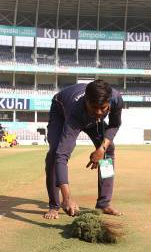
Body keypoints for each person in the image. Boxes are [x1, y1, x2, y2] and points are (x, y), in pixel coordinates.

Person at [43, 80, 124, 219]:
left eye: (103, 108)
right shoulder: (75, 111)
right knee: (55, 152)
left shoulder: (116, 99)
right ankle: (55, 205)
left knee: (108, 150)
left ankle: (104, 203)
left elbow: (115, 124)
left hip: (89, 120)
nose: (99, 113)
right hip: (62, 112)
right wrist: (67, 197)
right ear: (86, 101)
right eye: (94, 107)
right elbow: (61, 155)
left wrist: (101, 149)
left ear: (109, 102)